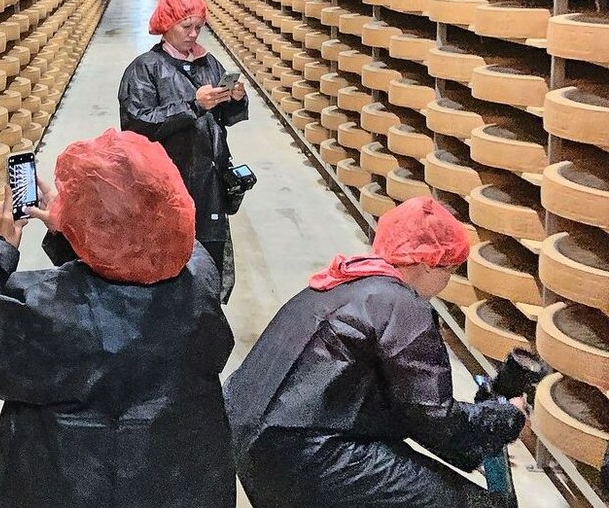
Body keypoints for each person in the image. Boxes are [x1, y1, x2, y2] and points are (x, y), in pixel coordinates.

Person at [0, 128, 236, 508]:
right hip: (179, 479)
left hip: (76, 482)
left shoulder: (48, 310)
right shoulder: (201, 275)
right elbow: (133, 256)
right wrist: (73, 232)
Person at [225, 196, 526, 508]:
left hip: (252, 438)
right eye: (448, 269)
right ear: (425, 264)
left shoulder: (343, 282)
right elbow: (433, 417)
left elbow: (403, 408)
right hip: (306, 452)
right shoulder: (402, 306)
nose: (448, 280)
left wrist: (472, 437)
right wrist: (505, 419)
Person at [118, 0, 246, 300]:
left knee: (209, 254)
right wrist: (193, 104)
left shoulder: (208, 63)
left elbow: (224, 120)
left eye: (198, 27)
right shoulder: (145, 69)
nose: (193, 34)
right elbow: (138, 124)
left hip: (208, 181)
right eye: (185, 27)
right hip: (166, 182)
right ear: (166, 25)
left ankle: (207, 310)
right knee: (170, 253)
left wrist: (234, 100)